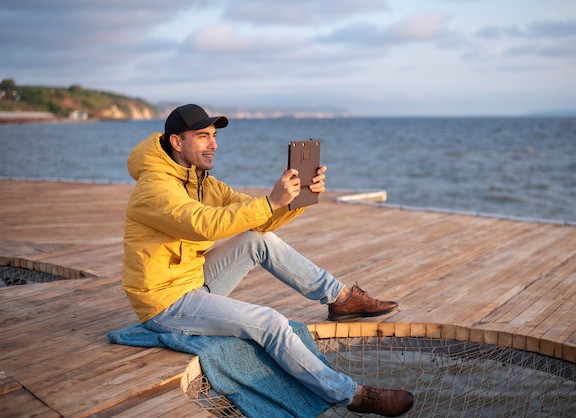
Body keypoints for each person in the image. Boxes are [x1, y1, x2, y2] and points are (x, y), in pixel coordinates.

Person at [122, 104, 414, 416]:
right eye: (203, 136)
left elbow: (257, 220)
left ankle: (341, 298)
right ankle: (352, 396)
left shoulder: (201, 181)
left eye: (214, 135)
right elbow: (203, 223)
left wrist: (295, 198)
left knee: (257, 240)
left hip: (193, 282)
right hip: (165, 303)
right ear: (177, 142)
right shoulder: (153, 188)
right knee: (270, 322)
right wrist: (270, 201)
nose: (214, 144)